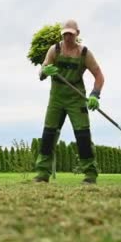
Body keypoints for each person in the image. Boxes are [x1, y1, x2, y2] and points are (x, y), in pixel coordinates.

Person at [35, 19, 105, 184]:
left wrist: (95, 94)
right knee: (48, 136)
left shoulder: (84, 53)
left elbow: (99, 76)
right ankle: (42, 174)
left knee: (83, 137)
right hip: (57, 98)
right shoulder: (55, 50)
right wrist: (45, 71)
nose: (67, 37)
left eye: (71, 34)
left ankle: (90, 175)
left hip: (76, 98)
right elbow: (41, 72)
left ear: (77, 34)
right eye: (65, 34)